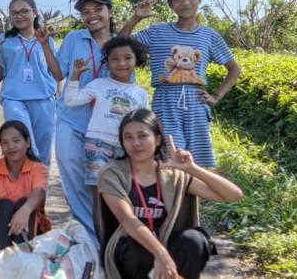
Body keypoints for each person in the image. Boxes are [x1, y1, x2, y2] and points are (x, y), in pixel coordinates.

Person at [98, 109, 243, 279]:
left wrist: (192, 168)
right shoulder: (112, 174)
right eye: (128, 137)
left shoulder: (172, 175)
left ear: (158, 139)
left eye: (142, 135)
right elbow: (128, 220)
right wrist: (161, 254)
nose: (135, 143)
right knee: (139, 252)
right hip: (132, 247)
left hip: (169, 242)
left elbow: (233, 195)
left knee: (194, 240)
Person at [121, 0, 241, 167]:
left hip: (196, 102)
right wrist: (137, 17)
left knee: (199, 162)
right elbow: (120, 43)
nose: (185, 3)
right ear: (171, 5)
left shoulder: (209, 35)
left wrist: (216, 96)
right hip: (165, 101)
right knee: (170, 158)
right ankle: (173, 188)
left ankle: (197, 188)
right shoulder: (157, 32)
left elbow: (234, 69)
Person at [64, 35, 150, 235]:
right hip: (97, 146)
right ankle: (102, 246)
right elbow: (71, 100)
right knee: (100, 198)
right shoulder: (99, 84)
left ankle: (122, 243)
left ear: (137, 60)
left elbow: (144, 125)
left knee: (125, 197)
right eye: (115, 59)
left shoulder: (140, 93)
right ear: (107, 62)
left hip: (126, 149)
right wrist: (75, 75)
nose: (121, 63)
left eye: (127, 58)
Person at [55, 0, 117, 239]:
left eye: (98, 9)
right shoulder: (74, 39)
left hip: (105, 126)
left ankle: (109, 234)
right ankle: (89, 235)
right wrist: (44, 45)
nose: (91, 15)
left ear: (110, 11)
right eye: (86, 12)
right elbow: (57, 73)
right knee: (72, 173)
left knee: (103, 180)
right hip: (72, 118)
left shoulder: (120, 43)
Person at [0, 0, 61, 166]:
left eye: (24, 11)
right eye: (14, 13)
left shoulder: (47, 40)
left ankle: (41, 183)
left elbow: (56, 72)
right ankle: (24, 181)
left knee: (43, 151)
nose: (19, 16)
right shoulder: (3, 40)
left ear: (34, 13)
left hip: (44, 99)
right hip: (14, 99)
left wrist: (57, 92)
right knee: (24, 146)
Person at [0, 120, 51, 252]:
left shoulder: (37, 168)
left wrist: (24, 210)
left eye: (16, 141)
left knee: (24, 202)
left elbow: (39, 192)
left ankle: (25, 254)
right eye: (5, 143)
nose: (11, 146)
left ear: (28, 143)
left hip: (30, 229)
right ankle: (2, 253)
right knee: (4, 204)